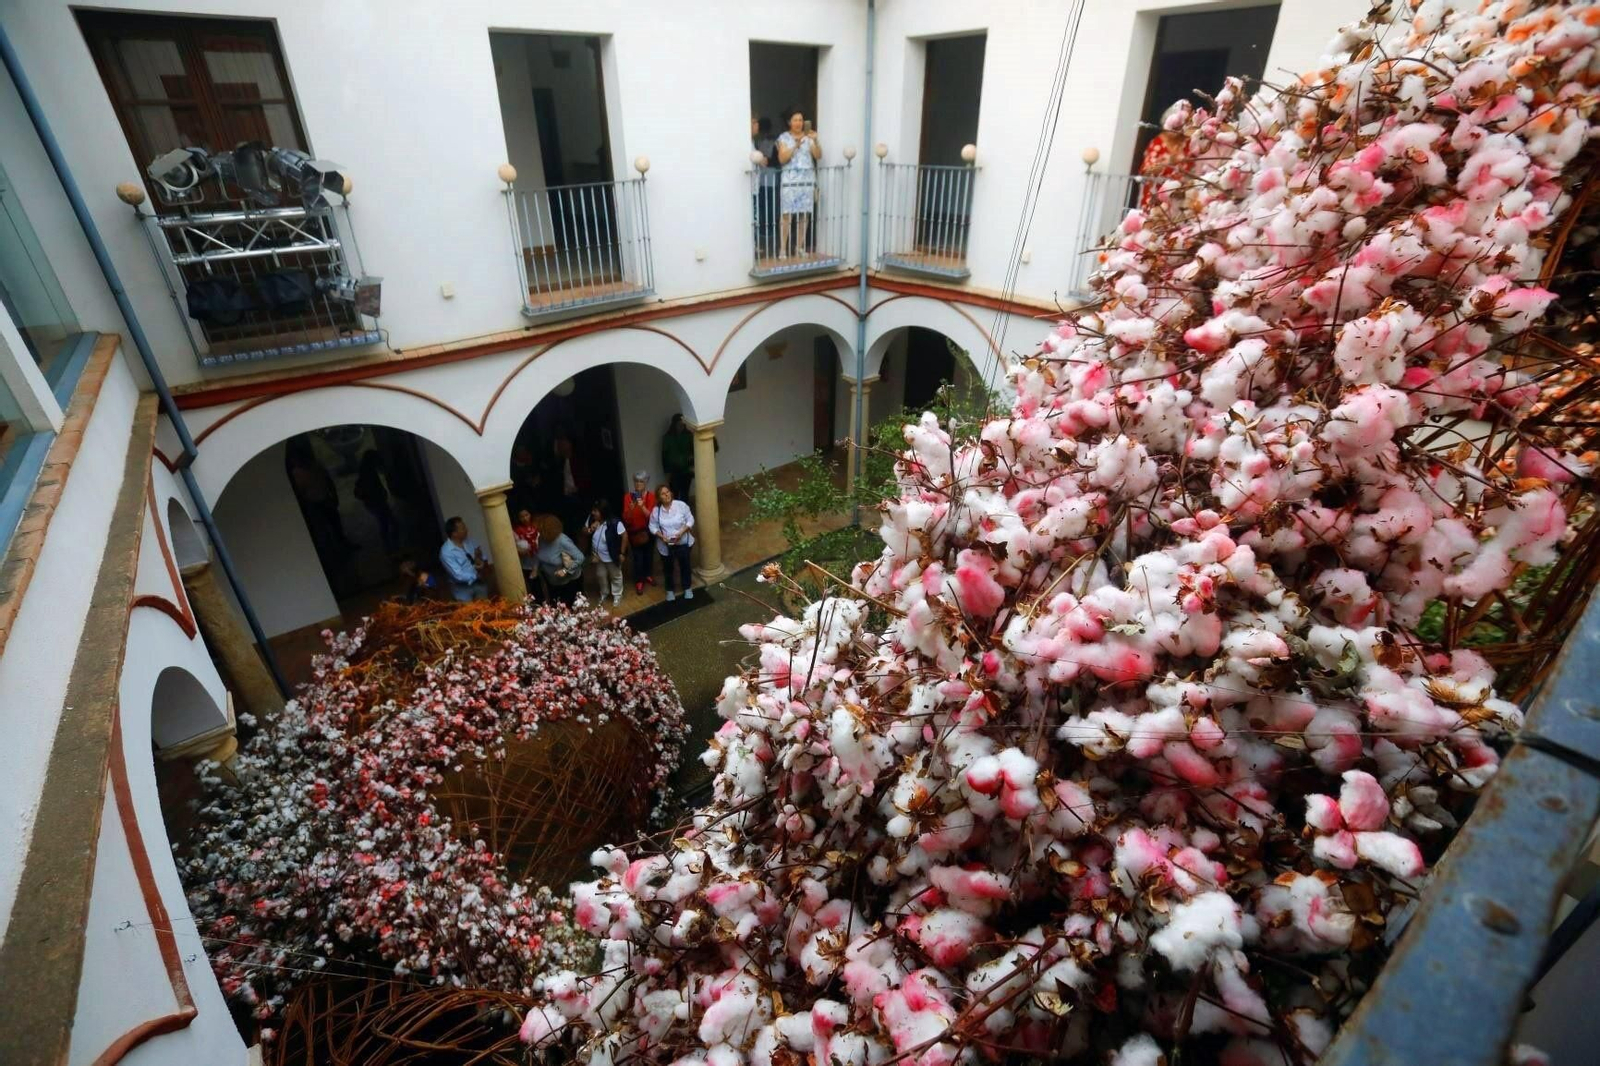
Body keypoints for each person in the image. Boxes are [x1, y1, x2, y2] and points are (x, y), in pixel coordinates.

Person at [776, 109, 821, 258]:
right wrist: (795, 146)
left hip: (807, 181)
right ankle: (783, 249)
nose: (798, 123)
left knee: (804, 215)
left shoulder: (809, 138)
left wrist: (815, 140)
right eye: (795, 120)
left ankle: (799, 247)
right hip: (789, 182)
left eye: (801, 120)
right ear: (790, 122)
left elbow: (818, 156)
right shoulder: (783, 138)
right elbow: (782, 159)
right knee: (787, 215)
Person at [648, 484, 696, 602]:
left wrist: (681, 532)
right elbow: (652, 526)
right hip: (666, 545)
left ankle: (687, 587)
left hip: (682, 542)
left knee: (685, 566)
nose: (667, 495)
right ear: (659, 498)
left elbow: (690, 520)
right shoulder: (656, 511)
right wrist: (661, 536)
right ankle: (670, 590)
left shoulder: (681, 505)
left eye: (668, 492)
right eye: (663, 494)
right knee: (668, 568)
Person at [1139, 102, 1188, 211]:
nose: (1176, 131)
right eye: (1173, 127)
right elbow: (1146, 171)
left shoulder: (1187, 143)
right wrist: (1168, 162)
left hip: (1180, 200)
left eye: (1179, 127)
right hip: (1156, 197)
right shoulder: (1157, 143)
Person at [354, 449, 400, 554]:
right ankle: (392, 547)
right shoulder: (368, 474)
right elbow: (371, 490)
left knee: (386, 524)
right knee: (389, 524)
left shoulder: (366, 471)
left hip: (374, 503)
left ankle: (390, 547)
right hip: (377, 503)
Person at [536, 514, 586, 607]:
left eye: (541, 531)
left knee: (570, 609)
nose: (538, 533)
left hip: (568, 584)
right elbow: (540, 556)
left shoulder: (562, 540)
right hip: (552, 582)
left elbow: (580, 557)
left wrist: (565, 570)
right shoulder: (541, 540)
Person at [585, 499, 626, 607]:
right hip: (598, 557)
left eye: (596, 511)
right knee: (600, 575)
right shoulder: (592, 520)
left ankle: (617, 595)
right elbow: (583, 531)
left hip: (611, 557)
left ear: (603, 512)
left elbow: (624, 536)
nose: (593, 513)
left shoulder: (615, 522)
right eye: (593, 510)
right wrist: (590, 529)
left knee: (615, 576)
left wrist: (622, 553)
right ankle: (604, 593)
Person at [621, 470, 656, 594]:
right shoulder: (627, 497)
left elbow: (652, 517)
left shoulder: (651, 496)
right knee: (637, 558)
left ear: (646, 482)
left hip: (648, 532)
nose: (638, 484)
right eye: (636, 481)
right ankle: (639, 581)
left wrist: (642, 506)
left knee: (649, 555)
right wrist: (631, 509)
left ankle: (648, 575)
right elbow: (626, 518)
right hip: (634, 533)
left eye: (641, 481)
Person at [439, 516, 489, 601]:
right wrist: (476, 576)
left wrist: (480, 560)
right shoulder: (446, 552)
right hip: (462, 588)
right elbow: (457, 575)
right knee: (468, 612)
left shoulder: (470, 541)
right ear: (454, 533)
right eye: (463, 528)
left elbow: (482, 557)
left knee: (485, 609)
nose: (466, 529)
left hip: (479, 583)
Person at [751, 116, 779, 257]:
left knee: (769, 205)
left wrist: (768, 160)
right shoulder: (757, 141)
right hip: (760, 179)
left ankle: (769, 229)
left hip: (770, 177)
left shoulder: (775, 141)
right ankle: (762, 231)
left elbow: (776, 159)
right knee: (761, 206)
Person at [662, 414, 695, 504]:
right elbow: (664, 456)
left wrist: (692, 465)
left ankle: (685, 514)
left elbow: (694, 451)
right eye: (679, 425)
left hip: (686, 470)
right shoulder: (668, 437)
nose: (681, 427)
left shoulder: (688, 435)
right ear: (674, 425)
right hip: (674, 471)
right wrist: (667, 473)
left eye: (683, 425)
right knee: (674, 494)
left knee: (685, 494)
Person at [513, 507, 542, 587]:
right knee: (535, 587)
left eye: (526, 515)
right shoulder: (516, 531)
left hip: (542, 560)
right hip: (527, 564)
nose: (525, 518)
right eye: (522, 517)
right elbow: (516, 548)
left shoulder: (538, 526)